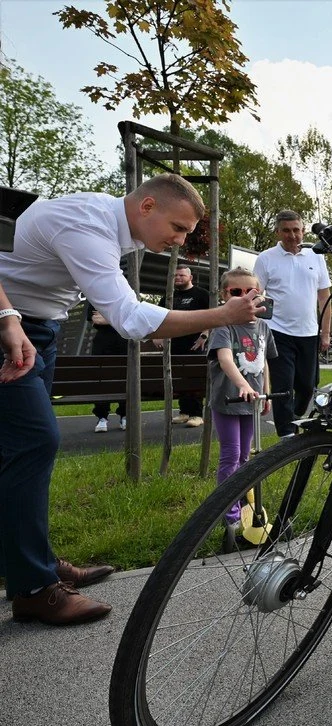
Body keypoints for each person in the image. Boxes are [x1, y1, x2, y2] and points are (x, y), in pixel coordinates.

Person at [0, 173, 266, 625]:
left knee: (24, 453)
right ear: (146, 207)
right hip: (13, 324)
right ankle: (32, 588)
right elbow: (128, 318)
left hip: (36, 326)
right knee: (35, 443)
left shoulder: (117, 229)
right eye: (178, 228)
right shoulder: (89, 226)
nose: (180, 241)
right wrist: (223, 314)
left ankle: (32, 562)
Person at [206, 268, 276, 544]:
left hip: (252, 403)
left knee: (246, 458)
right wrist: (243, 385)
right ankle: (229, 514)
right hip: (228, 400)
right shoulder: (223, 325)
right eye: (237, 292)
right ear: (225, 295)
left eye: (252, 293)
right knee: (231, 455)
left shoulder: (264, 327)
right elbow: (225, 359)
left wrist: (265, 392)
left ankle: (246, 506)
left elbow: (264, 362)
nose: (245, 298)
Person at [254, 210, 331, 438]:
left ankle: (295, 416)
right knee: (283, 386)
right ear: (278, 232)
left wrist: (325, 333)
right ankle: (286, 433)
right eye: (286, 230)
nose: (292, 235)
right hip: (278, 332)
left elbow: (324, 297)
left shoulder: (316, 256)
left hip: (309, 332)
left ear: (303, 230)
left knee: (308, 385)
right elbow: (257, 294)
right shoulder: (266, 258)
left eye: (296, 230)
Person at [152, 265, 210, 426]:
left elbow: (212, 316)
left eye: (182, 275)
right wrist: (156, 336)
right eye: (175, 275)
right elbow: (158, 318)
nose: (178, 278)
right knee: (179, 379)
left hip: (196, 345)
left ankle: (197, 415)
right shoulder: (168, 297)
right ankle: (184, 412)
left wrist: (204, 335)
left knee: (194, 378)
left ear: (190, 278)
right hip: (174, 345)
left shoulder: (202, 295)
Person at [85, 302, 127, 433]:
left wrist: (107, 318)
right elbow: (96, 319)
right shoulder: (95, 298)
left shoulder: (126, 296)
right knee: (101, 380)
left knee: (124, 380)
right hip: (102, 345)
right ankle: (102, 417)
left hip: (123, 343)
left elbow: (130, 318)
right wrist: (117, 318)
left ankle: (125, 415)